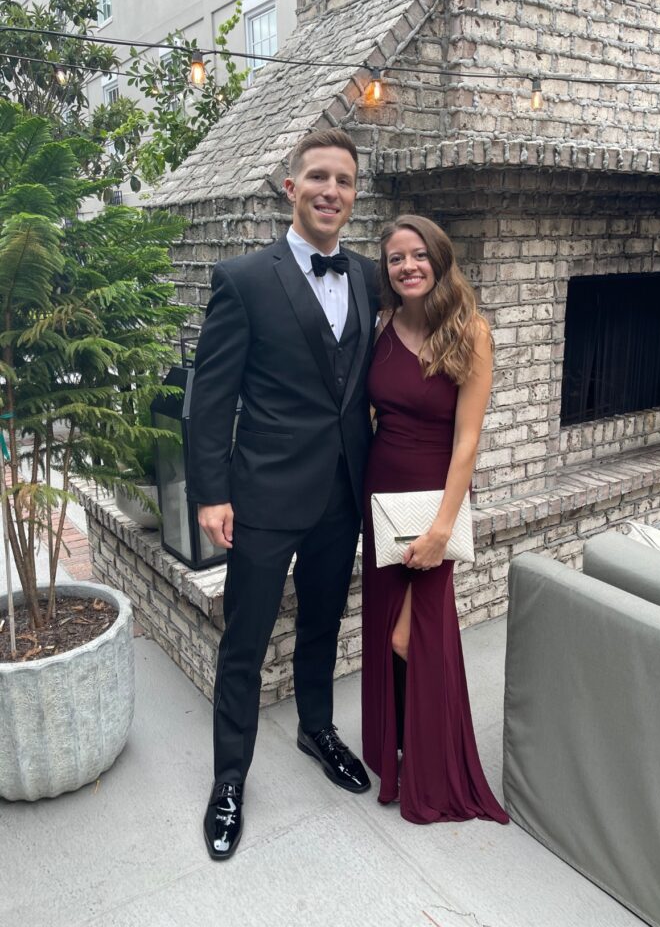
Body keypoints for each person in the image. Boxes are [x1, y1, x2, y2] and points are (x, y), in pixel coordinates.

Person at [188, 128, 379, 860]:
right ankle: (229, 779)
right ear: (290, 186)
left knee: (323, 625)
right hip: (264, 494)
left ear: (353, 195)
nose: (332, 190)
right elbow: (213, 396)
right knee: (244, 641)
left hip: (340, 491)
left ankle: (315, 729)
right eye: (319, 177)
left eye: (345, 181)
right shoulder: (242, 278)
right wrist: (210, 491)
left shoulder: (365, 275)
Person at [361, 214, 509, 826]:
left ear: (439, 259)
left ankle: (428, 763)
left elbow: (467, 442)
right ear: (388, 273)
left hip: (434, 503)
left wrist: (444, 527)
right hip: (381, 495)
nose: (408, 267)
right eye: (396, 259)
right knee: (384, 630)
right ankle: (393, 752)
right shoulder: (381, 327)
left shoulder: (470, 332)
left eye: (418, 255)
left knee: (411, 634)